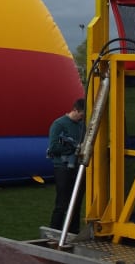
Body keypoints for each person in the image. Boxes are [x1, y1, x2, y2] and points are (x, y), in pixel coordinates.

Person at [47, 98, 86, 234]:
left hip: (78, 166)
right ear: (75, 110)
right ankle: (54, 231)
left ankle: (73, 232)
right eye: (81, 114)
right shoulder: (59, 124)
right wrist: (73, 149)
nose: (82, 118)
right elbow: (53, 147)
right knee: (62, 203)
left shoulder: (82, 125)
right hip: (63, 167)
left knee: (76, 202)